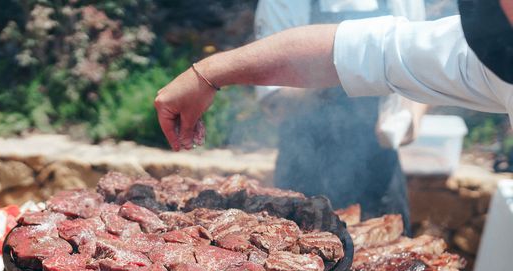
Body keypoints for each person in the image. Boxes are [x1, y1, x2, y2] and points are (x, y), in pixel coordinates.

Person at [154, 0, 513, 159]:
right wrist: (206, 74)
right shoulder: (495, 53)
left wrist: (407, 113)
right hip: (305, 159)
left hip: (380, 163)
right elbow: (353, 50)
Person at [253, 0, 426, 224]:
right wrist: (348, 69)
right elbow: (275, 105)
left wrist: (413, 115)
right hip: (304, 173)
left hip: (381, 172)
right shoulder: (285, 3)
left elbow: (425, 69)